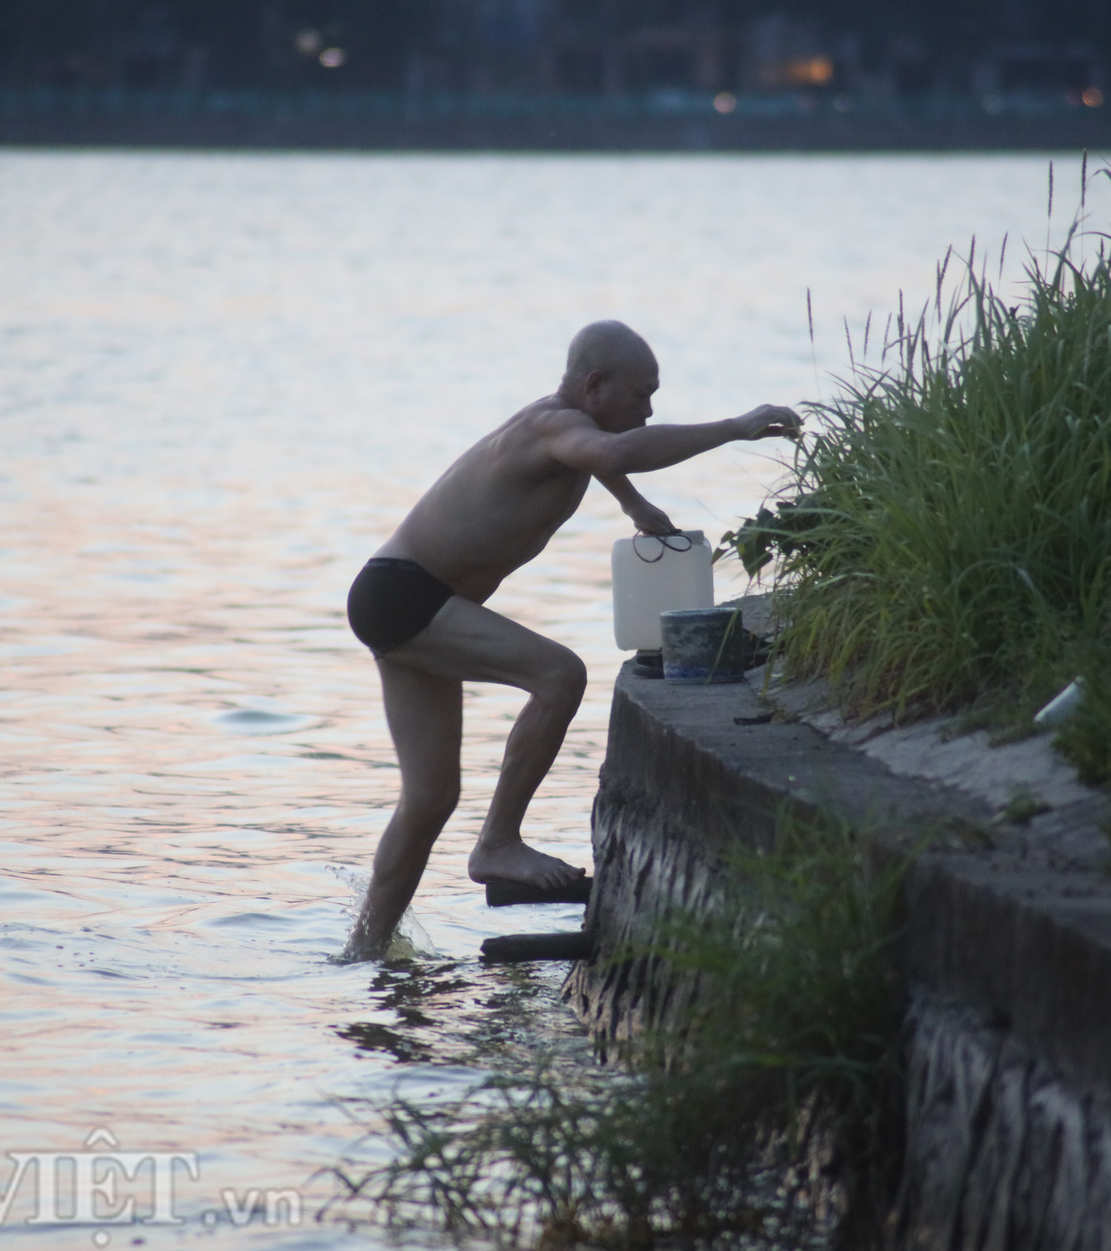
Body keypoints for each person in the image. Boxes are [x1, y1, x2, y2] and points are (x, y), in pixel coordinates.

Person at [340, 320, 800, 960]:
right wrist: (733, 428)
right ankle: (498, 842)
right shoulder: (554, 427)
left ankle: (364, 953)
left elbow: (600, 455)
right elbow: (607, 451)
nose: (648, 411)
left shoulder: (560, 426)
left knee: (429, 797)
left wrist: (632, 504)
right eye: (643, 395)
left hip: (401, 597)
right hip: (408, 597)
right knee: (560, 676)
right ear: (595, 385)